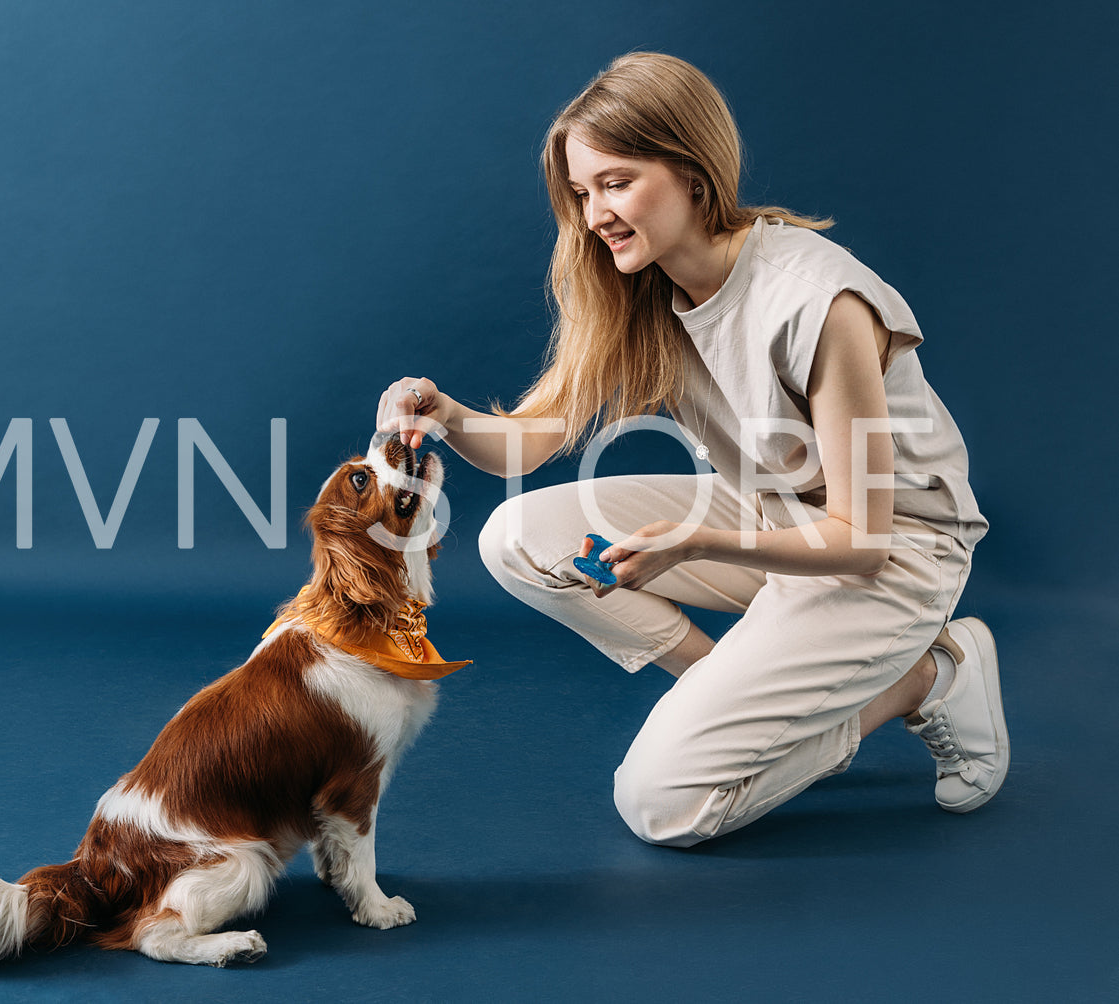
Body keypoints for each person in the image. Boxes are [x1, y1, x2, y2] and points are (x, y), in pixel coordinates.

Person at [375, 51, 1006, 847]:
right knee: (515, 539)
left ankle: (923, 676)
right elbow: (524, 449)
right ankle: (766, 693)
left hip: (894, 549)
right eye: (579, 193)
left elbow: (862, 542)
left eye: (615, 182)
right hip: (769, 512)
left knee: (661, 808)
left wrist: (696, 541)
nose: (594, 213)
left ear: (693, 175)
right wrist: (444, 415)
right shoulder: (634, 289)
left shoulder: (816, 302)